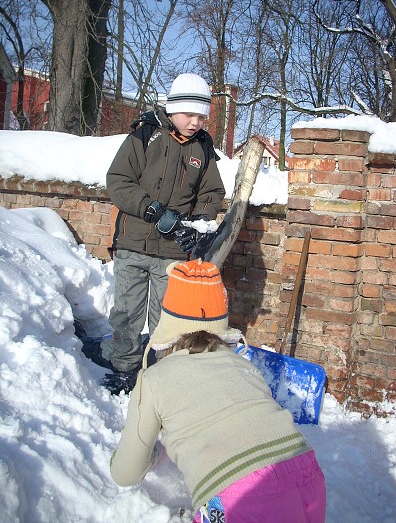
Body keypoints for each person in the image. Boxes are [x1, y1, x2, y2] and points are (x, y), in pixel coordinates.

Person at [110, 260, 326, 523]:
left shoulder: (154, 379)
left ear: (168, 323)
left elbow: (125, 473)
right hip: (307, 476)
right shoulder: (245, 367)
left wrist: (150, 454)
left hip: (238, 498)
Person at [82, 73, 225, 393]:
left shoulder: (203, 147)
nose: (196, 122)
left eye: (202, 116)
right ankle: (124, 367)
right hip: (134, 243)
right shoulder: (145, 134)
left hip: (173, 251)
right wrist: (152, 210)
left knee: (167, 318)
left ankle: (158, 371)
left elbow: (212, 192)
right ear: (173, 108)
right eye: (190, 114)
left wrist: (198, 223)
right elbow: (118, 181)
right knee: (127, 313)